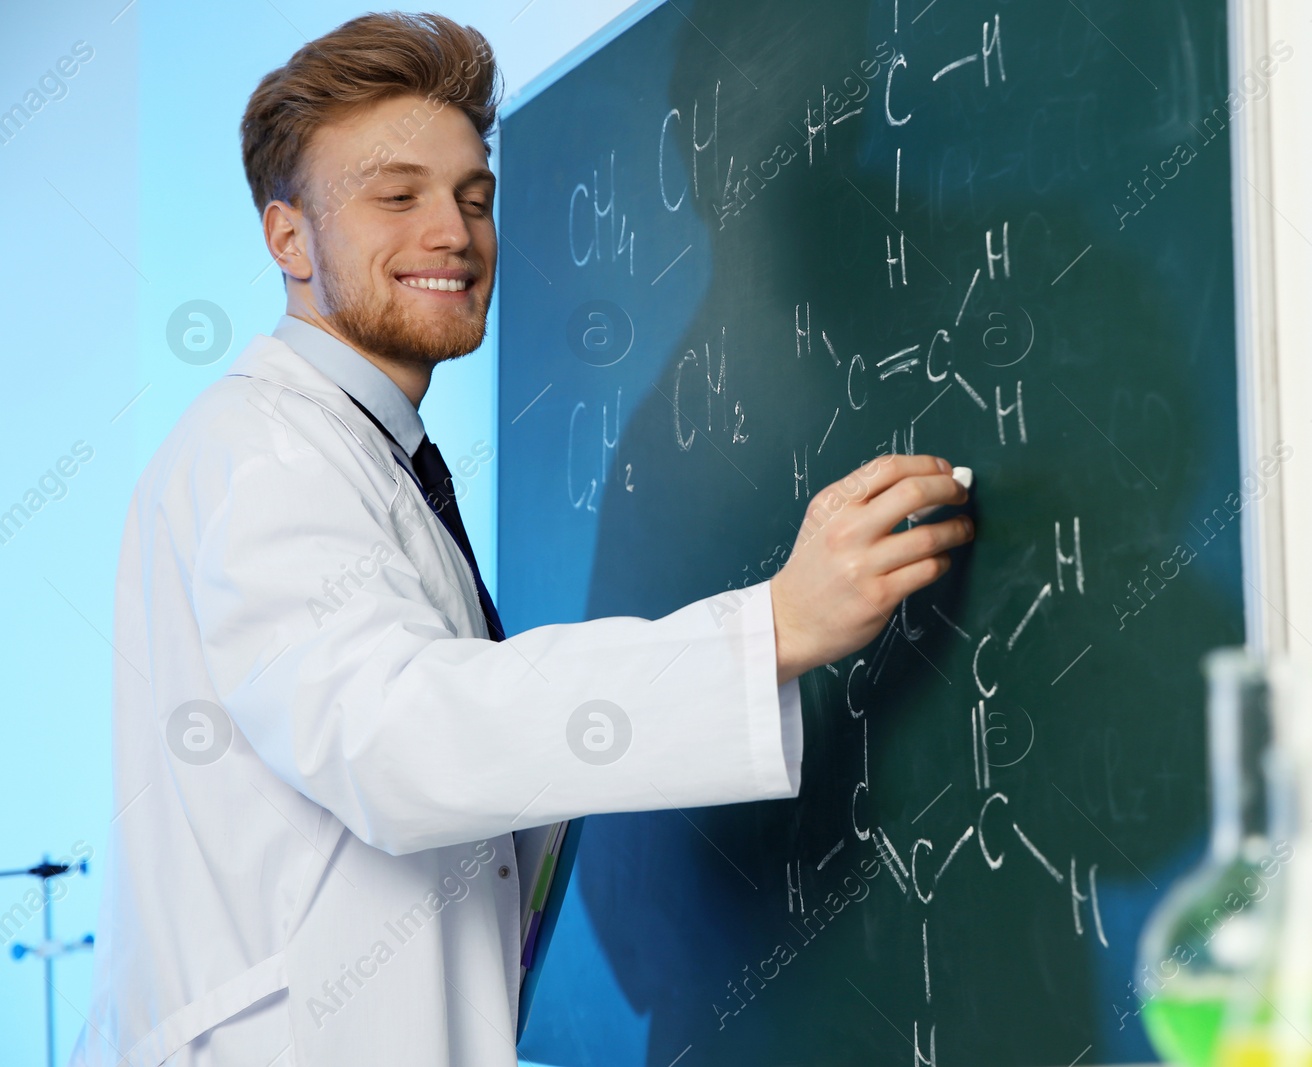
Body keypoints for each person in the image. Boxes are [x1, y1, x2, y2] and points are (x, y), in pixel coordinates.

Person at [70, 13, 972, 1066]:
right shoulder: (262, 453)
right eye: (395, 196)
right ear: (287, 238)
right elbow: (396, 735)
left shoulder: (370, 455)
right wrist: (769, 627)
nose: (453, 232)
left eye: (474, 195)